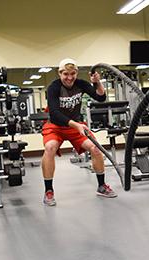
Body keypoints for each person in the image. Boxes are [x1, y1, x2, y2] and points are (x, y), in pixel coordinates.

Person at [41, 58, 117, 206]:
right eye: (65, 74)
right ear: (59, 73)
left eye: (73, 74)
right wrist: (76, 125)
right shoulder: (54, 87)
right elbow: (55, 113)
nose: (69, 78)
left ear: (76, 73)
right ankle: (48, 191)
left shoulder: (81, 84)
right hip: (55, 126)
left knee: (95, 148)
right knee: (50, 148)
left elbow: (100, 98)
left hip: (74, 126)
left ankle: (101, 186)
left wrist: (97, 82)